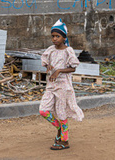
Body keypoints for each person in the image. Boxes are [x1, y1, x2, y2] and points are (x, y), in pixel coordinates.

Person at [38, 19, 84, 150]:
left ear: (64, 37)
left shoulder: (68, 51)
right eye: (52, 36)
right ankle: (59, 128)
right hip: (51, 85)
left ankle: (65, 140)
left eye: (57, 36)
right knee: (43, 110)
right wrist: (48, 65)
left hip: (63, 86)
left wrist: (58, 71)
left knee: (61, 112)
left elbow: (73, 68)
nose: (54, 39)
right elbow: (45, 59)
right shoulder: (51, 50)